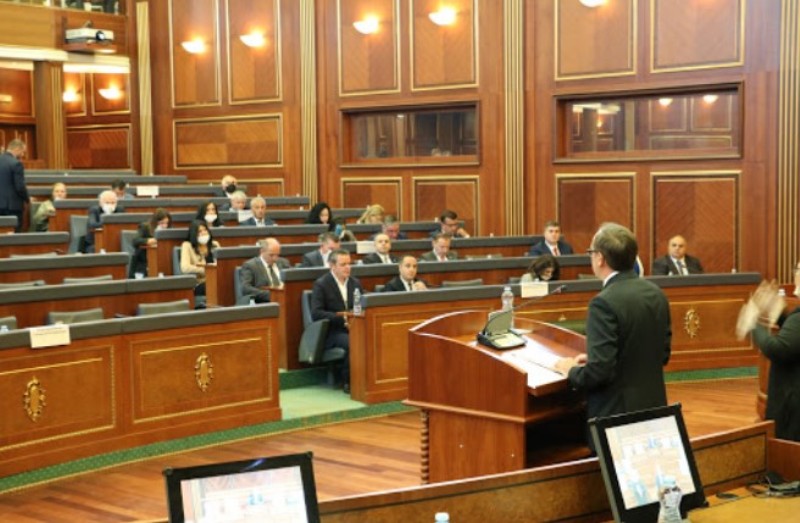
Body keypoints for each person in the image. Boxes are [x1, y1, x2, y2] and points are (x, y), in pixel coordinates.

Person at [554, 223, 672, 445]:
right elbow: (661, 355)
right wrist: (602, 357)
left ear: (600, 258)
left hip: (617, 421)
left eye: (591, 252)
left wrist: (571, 370)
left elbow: (599, 373)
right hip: (654, 411)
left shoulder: (603, 303)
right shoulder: (656, 294)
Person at [739, 279, 800, 441]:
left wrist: (752, 322)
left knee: (786, 451)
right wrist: (778, 312)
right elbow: (795, 338)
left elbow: (778, 349)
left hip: (793, 409)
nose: (796, 274)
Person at [310, 249, 364, 394]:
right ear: (332, 266)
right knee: (353, 342)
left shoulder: (355, 283)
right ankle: (349, 381)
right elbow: (316, 313)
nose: (347, 267)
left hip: (354, 327)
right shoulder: (321, 284)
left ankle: (366, 379)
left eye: (349, 264)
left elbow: (361, 306)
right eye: (343, 264)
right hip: (332, 331)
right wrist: (342, 317)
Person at [239, 238, 291, 303]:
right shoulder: (250, 266)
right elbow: (246, 288)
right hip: (265, 302)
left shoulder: (284, 263)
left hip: (286, 300)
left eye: (277, 255)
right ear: (262, 251)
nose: (275, 259)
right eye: (271, 255)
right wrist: (272, 295)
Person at [180, 220, 220, 298]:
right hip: (200, 283)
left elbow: (221, 264)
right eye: (200, 231)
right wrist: (206, 270)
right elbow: (185, 268)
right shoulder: (187, 246)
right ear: (194, 234)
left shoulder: (215, 244)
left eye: (205, 230)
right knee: (212, 285)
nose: (204, 233)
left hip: (216, 279)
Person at [130, 208, 171, 278]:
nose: (164, 226)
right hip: (143, 263)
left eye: (166, 223)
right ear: (155, 222)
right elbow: (135, 241)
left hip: (161, 262)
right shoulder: (145, 227)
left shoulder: (169, 230)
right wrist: (148, 241)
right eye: (161, 223)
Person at [0, 139, 30, 232]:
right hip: (12, 207)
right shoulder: (16, 164)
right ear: (17, 149)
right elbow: (20, 187)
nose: (22, 155)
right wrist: (27, 199)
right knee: (14, 236)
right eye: (22, 152)